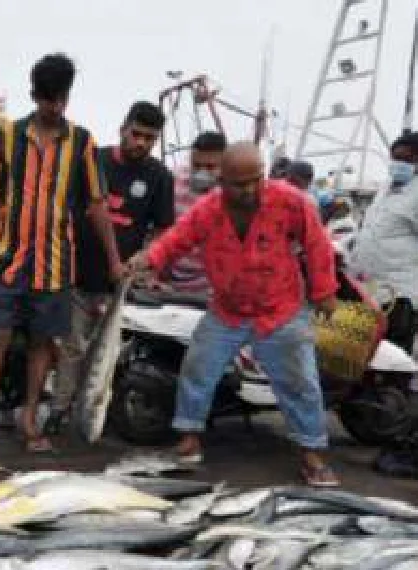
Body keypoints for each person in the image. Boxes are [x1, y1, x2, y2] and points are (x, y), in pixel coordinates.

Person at [128, 143, 341, 487]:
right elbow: (176, 240)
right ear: (222, 181)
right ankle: (189, 439)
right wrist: (148, 260)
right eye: (239, 184)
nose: (249, 190)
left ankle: (312, 451)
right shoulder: (207, 210)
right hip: (228, 310)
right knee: (197, 369)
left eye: (256, 180)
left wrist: (324, 292)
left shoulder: (291, 201)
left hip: (280, 308)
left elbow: (318, 245)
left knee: (300, 382)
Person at [0, 53, 124, 456]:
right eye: (48, 98)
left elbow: (96, 205)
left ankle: (30, 419)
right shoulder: (8, 136)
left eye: (61, 98)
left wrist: (114, 260)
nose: (55, 106)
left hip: (54, 264)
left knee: (41, 343)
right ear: (34, 95)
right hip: (6, 259)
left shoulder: (82, 143)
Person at [45, 100, 175, 435]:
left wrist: (146, 263)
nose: (141, 143)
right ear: (122, 129)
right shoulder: (94, 161)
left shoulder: (160, 177)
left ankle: (98, 412)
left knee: (108, 353)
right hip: (77, 274)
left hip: (120, 284)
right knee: (71, 347)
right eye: (136, 134)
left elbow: (163, 229)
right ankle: (59, 409)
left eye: (149, 138)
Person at [346, 130, 418, 354]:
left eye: (407, 159)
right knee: (360, 352)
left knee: (389, 353)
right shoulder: (386, 187)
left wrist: (409, 266)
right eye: (395, 158)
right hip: (368, 286)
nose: (398, 164)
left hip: (398, 292)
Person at [166, 130, 227, 295]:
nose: (201, 172)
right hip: (169, 283)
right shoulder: (173, 182)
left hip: (209, 287)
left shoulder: (233, 195)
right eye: (197, 165)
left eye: (210, 167)